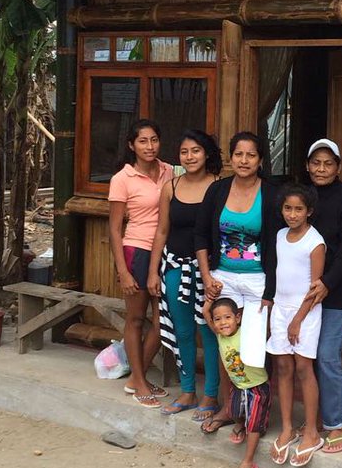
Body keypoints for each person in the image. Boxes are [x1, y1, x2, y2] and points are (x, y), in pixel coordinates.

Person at [195, 131, 282, 434]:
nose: (244, 160)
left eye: (251, 155)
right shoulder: (217, 191)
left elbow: (278, 244)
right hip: (223, 278)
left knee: (255, 349)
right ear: (231, 157)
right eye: (239, 154)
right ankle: (228, 409)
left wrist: (271, 290)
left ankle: (254, 411)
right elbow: (201, 236)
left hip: (258, 279)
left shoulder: (271, 194)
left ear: (260, 160)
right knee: (226, 345)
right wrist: (208, 277)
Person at [148, 130, 222, 419]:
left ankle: (212, 395)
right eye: (184, 152)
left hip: (209, 272)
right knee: (182, 332)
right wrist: (154, 271)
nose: (190, 157)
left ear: (206, 154)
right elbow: (162, 230)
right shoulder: (171, 187)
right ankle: (188, 391)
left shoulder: (219, 187)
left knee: (210, 332)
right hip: (175, 267)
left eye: (195, 151)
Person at [107, 119, 172, 408]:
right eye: (143, 141)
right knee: (135, 319)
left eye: (154, 139)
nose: (150, 146)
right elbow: (114, 228)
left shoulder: (169, 171)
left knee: (163, 322)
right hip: (137, 251)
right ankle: (140, 382)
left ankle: (136, 378)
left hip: (166, 252)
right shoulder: (123, 179)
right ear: (132, 145)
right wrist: (122, 270)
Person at [305, 138, 342, 454]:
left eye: (328, 163)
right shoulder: (302, 197)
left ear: (338, 167)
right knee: (303, 356)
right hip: (304, 291)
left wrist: (327, 282)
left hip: (338, 290)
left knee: (327, 354)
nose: (322, 168)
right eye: (316, 162)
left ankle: (335, 424)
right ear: (307, 165)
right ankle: (311, 422)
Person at [266, 183, 326, 468]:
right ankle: (288, 427)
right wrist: (273, 308)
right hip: (280, 308)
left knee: (303, 367)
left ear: (309, 212)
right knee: (283, 367)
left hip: (306, 311)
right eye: (287, 208)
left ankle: (312, 432)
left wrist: (298, 319)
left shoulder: (315, 242)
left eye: (298, 209)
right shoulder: (279, 236)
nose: (292, 214)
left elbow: (315, 288)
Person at [209, 296, 271, 468]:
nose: (223, 323)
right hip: (238, 386)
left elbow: (263, 328)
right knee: (234, 412)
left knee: (254, 423)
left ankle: (248, 461)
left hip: (257, 388)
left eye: (227, 317)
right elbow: (206, 313)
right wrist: (208, 299)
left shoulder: (246, 333)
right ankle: (242, 423)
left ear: (238, 318)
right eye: (217, 319)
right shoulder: (219, 334)